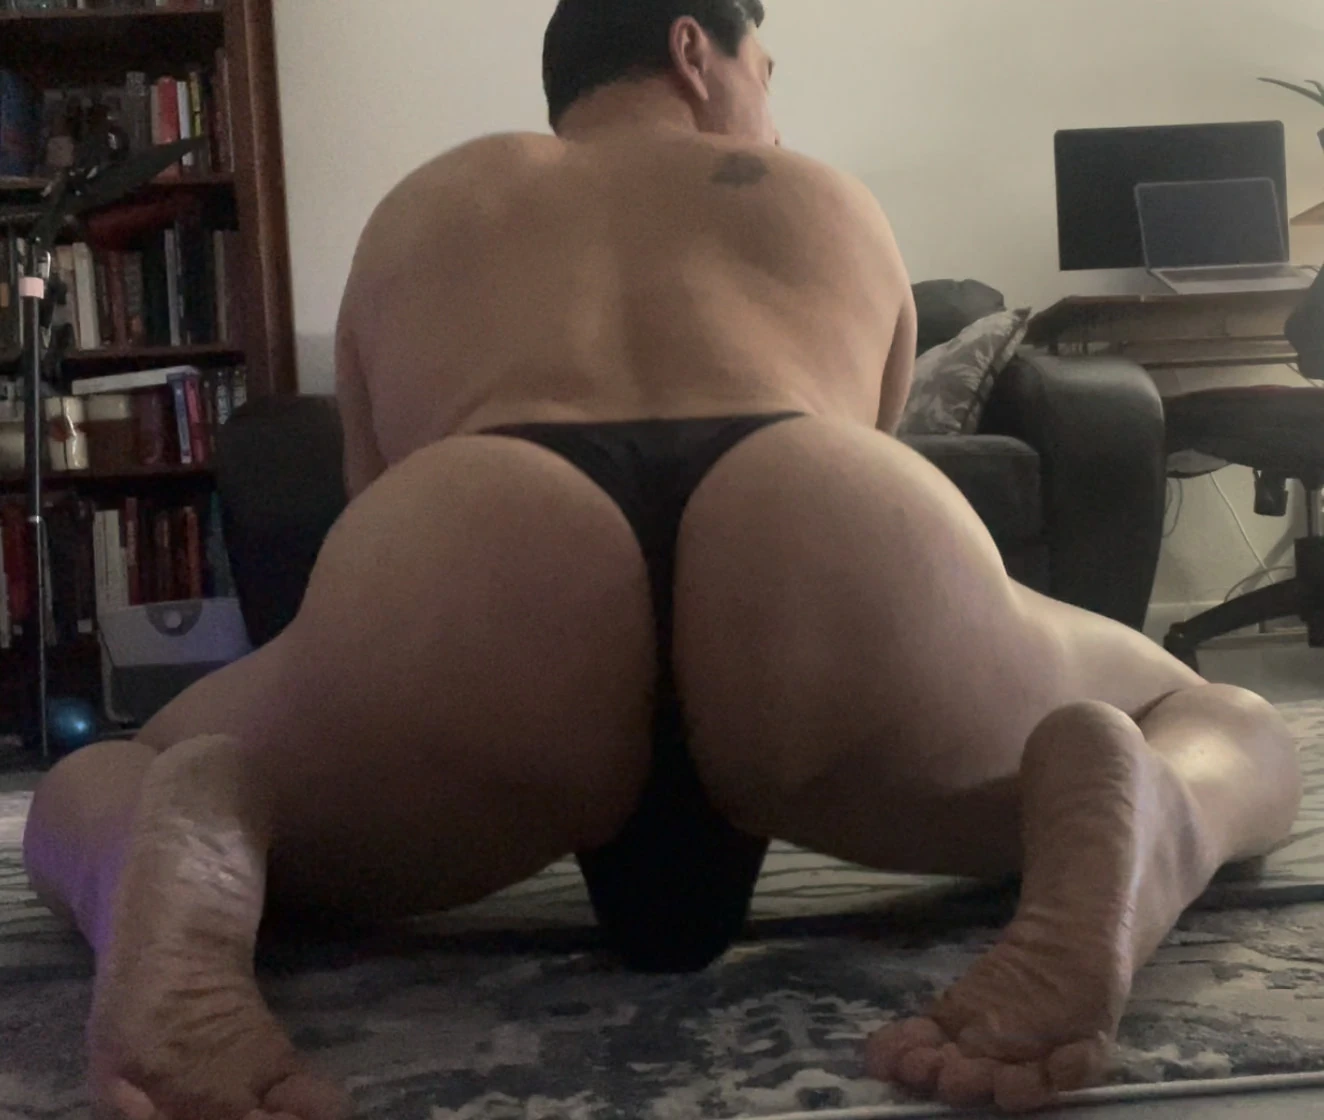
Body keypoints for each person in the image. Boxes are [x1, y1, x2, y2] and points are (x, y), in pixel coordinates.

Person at [22, 1, 1302, 1116]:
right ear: (696, 51)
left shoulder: (427, 204)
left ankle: (184, 850)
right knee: (1208, 710)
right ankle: (1155, 815)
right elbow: (868, 443)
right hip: (811, 511)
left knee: (122, 767)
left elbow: (372, 487)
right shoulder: (822, 198)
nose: (769, 110)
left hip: (486, 529)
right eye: (765, 74)